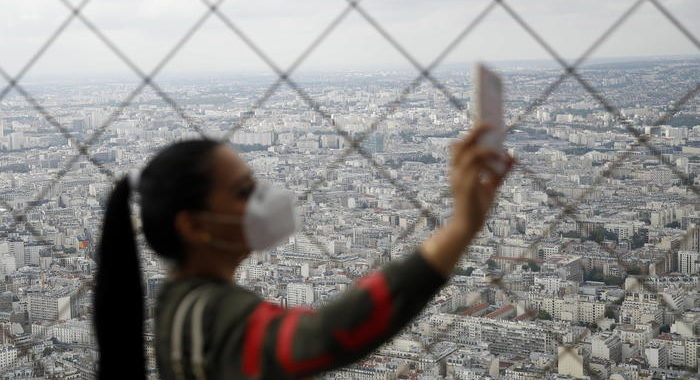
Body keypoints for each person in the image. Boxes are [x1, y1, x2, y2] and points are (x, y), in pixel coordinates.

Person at [93, 123, 514, 380]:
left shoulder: (182, 305)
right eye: (244, 192)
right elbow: (324, 338)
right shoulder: (212, 313)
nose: (262, 199)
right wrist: (460, 228)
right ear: (195, 225)